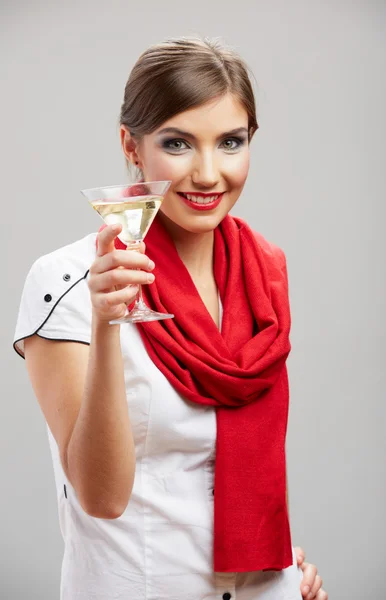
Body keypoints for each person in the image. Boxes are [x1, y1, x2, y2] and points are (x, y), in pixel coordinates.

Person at [13, 36, 328, 600]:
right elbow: (101, 495)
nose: (208, 174)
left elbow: (224, 471)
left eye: (230, 142)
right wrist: (108, 322)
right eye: (179, 143)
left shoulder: (263, 275)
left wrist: (277, 567)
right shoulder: (65, 279)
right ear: (131, 147)